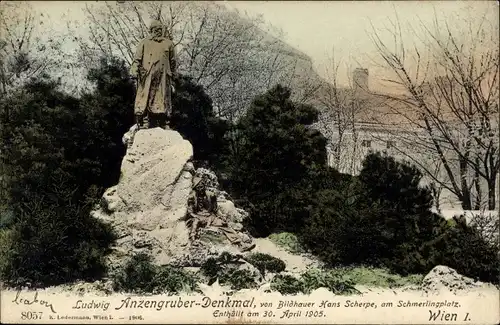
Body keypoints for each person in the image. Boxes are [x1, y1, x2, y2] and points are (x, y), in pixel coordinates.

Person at [185, 175, 255, 252]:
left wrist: (221, 216)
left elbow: (215, 209)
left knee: (224, 224)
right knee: (195, 222)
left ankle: (240, 244)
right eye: (199, 187)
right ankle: (193, 241)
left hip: (210, 217)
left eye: (202, 186)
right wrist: (196, 217)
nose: (201, 189)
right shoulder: (192, 197)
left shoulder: (211, 195)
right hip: (199, 216)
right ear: (196, 188)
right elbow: (190, 211)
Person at [130, 20, 177, 129]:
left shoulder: (168, 44)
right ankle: (145, 121)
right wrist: (134, 71)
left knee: (163, 99)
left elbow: (173, 61)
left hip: (163, 77)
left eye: (160, 29)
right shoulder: (144, 43)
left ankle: (165, 123)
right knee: (146, 98)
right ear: (151, 30)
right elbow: (137, 59)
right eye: (156, 29)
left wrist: (174, 75)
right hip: (147, 76)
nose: (158, 31)